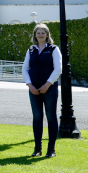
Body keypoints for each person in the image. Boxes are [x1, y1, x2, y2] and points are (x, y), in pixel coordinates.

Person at [22, 23, 61, 158]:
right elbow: (25, 69)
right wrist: (30, 85)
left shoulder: (53, 49)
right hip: (34, 89)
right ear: (35, 35)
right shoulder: (31, 50)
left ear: (47, 34)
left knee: (51, 117)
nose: (40, 35)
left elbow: (58, 69)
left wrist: (47, 84)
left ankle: (51, 150)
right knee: (37, 117)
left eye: (43, 33)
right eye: (38, 33)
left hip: (49, 88)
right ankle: (37, 148)